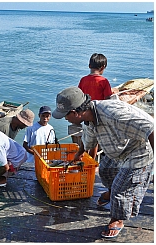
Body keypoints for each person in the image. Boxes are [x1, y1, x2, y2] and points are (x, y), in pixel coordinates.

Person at [52, 87, 154, 239]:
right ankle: (113, 193)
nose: (66, 119)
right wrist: (79, 154)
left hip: (139, 150)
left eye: (65, 116)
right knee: (105, 170)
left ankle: (118, 219)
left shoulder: (113, 113)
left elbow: (151, 128)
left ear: (74, 113)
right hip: (118, 150)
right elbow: (89, 141)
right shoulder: (89, 117)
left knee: (121, 189)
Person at [69, 53, 114, 158]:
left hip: (85, 114)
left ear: (89, 66)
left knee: (87, 138)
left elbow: (79, 96)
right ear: (103, 67)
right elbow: (108, 99)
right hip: (99, 115)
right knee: (95, 142)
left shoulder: (83, 80)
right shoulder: (104, 81)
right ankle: (92, 162)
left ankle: (84, 158)